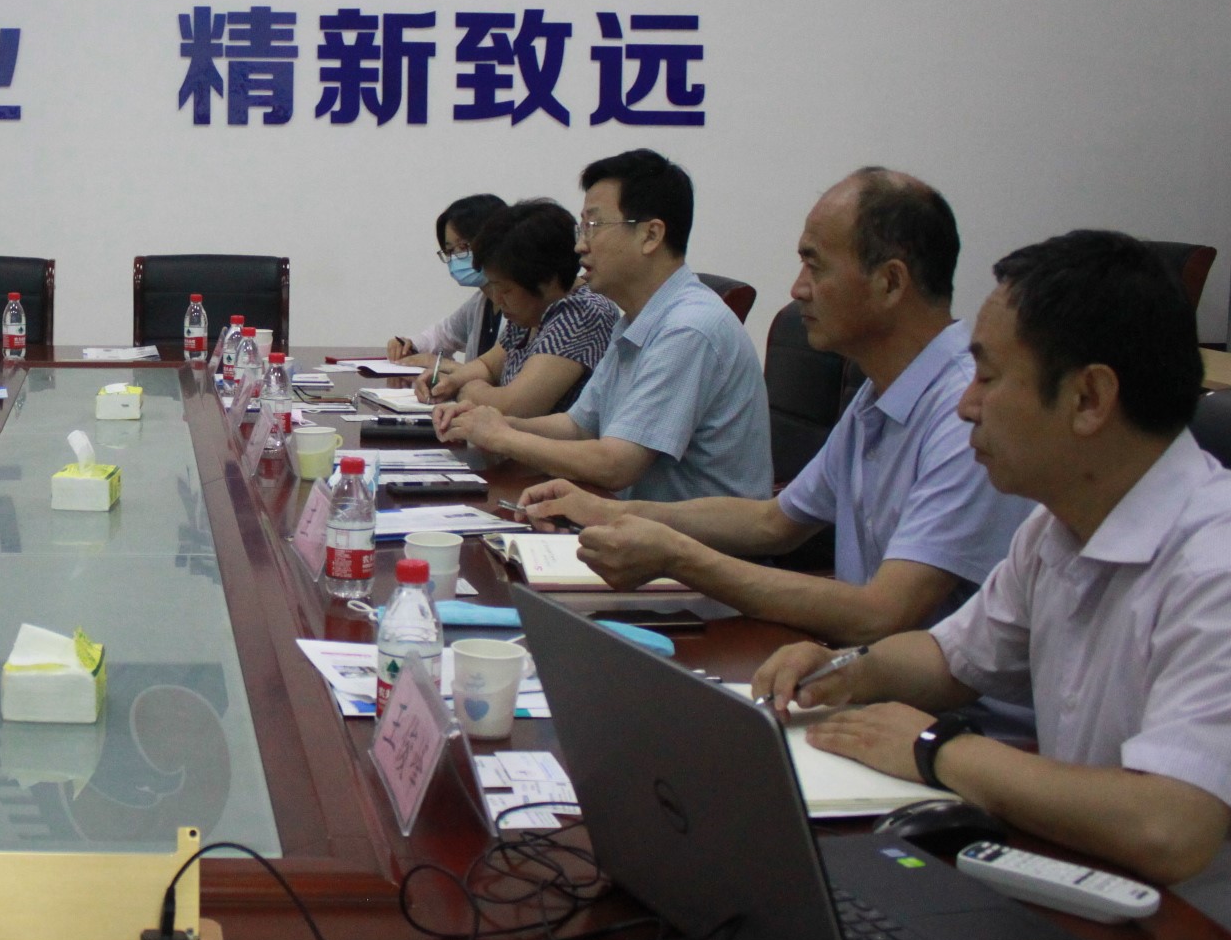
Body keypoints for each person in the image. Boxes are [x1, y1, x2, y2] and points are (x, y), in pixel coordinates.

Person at [755, 232, 1231, 940]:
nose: (966, 406)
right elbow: (952, 659)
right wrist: (843, 670)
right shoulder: (1057, 525)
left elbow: (1168, 827)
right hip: (1078, 896)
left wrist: (935, 749)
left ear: (1089, 398)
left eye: (988, 378)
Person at [520, 170, 1031, 642]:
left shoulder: (966, 415)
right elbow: (774, 522)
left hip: (919, 695)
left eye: (815, 265)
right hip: (862, 666)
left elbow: (882, 612)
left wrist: (677, 556)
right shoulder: (878, 395)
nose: (797, 288)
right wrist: (613, 512)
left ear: (890, 282)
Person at [438, 149, 771, 502]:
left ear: (651, 235)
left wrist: (503, 438)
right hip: (627, 521)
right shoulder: (635, 320)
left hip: (686, 534)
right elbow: (578, 426)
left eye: (593, 227)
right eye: (582, 228)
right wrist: (492, 422)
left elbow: (616, 465)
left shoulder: (688, 329)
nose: (580, 245)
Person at [425, 199, 620, 418]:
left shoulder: (582, 312)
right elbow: (488, 366)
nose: (497, 298)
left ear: (545, 280)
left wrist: (468, 390)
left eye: (505, 290)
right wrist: (449, 382)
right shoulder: (532, 312)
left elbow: (516, 406)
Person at [389, 192, 503, 397]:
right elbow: (442, 334)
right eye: (450, 251)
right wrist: (409, 345)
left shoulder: (527, 309)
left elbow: (506, 382)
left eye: (464, 247)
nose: (456, 258)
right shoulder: (480, 302)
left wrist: (442, 364)